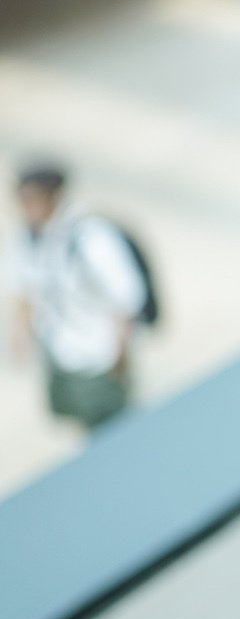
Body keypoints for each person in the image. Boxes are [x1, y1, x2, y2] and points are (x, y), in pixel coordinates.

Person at [3, 164, 146, 430]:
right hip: (60, 353)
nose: (27, 207)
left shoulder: (90, 235)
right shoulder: (27, 238)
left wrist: (121, 355)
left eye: (33, 198)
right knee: (81, 424)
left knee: (113, 429)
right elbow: (24, 288)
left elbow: (126, 297)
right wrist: (21, 338)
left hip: (98, 356)